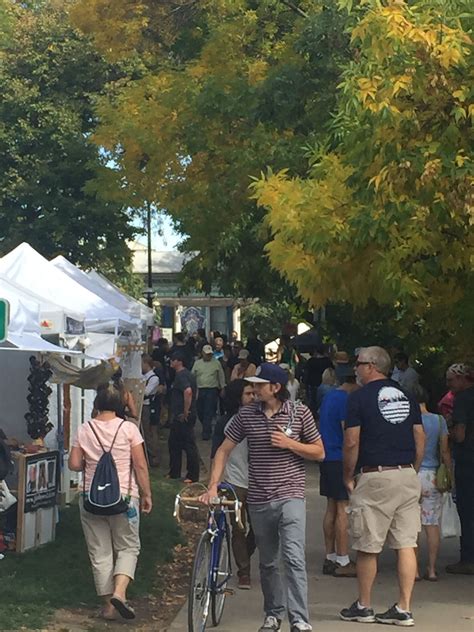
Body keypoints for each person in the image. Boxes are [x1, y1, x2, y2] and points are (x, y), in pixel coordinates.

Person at [201, 363, 325, 632]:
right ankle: (272, 614)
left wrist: (290, 444)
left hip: (291, 494)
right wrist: (213, 486)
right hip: (258, 498)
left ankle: (300, 619)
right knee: (268, 561)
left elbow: (319, 452)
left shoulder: (300, 413)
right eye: (253, 385)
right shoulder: (246, 416)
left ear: (276, 387)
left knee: (293, 557)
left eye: (259, 385)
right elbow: (223, 451)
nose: (254, 389)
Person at [340, 346, 425, 627]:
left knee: (368, 544)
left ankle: (364, 605)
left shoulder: (359, 398)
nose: (355, 368)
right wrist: (414, 466)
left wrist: (348, 475)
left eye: (359, 363)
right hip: (406, 475)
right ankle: (404, 607)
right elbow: (419, 435)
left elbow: (352, 440)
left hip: (375, 475)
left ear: (372, 366)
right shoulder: (406, 395)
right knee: (406, 543)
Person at [69, 385, 152, 621]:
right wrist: (147, 494)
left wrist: (91, 463)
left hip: (90, 499)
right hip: (125, 498)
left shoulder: (85, 429)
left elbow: (74, 464)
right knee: (128, 546)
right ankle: (120, 592)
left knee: (99, 551)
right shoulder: (129, 429)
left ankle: (108, 606)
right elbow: (140, 465)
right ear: (121, 405)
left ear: (97, 402)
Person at [211, 379, 257, 589]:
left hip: (258, 482)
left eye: (253, 394)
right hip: (234, 482)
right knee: (238, 527)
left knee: (258, 529)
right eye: (248, 394)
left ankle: (243, 554)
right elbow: (217, 453)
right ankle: (243, 571)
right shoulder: (226, 423)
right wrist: (215, 482)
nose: (252, 398)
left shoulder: (261, 418)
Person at [319, 368, 359, 578]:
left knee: (331, 506)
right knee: (343, 507)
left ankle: (330, 555)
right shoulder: (345, 400)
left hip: (326, 455)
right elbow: (348, 431)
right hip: (339, 457)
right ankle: (343, 558)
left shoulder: (329, 397)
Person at [413, 385, 451, 581]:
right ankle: (432, 569)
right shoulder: (439, 420)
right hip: (433, 475)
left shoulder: (410, 420)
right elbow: (444, 450)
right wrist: (449, 474)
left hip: (413, 473)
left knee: (413, 524)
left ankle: (415, 570)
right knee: (432, 523)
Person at [445, 363, 474, 575]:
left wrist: (450, 432)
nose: (449, 385)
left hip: (467, 461)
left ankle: (468, 558)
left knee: (467, 509)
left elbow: (461, 434)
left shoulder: (462, 399)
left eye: (451, 380)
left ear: (463, 378)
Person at [168, 350, 200, 483]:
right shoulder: (189, 374)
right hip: (185, 413)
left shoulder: (181, 376)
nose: (171, 362)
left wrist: (186, 410)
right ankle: (174, 472)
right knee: (174, 443)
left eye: (173, 360)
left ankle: (192, 475)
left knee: (188, 444)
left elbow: (188, 391)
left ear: (179, 362)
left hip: (183, 415)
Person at [192, 345, 226, 440]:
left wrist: (222, 387)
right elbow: (192, 375)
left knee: (208, 411)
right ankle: (206, 426)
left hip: (212, 390)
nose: (208, 356)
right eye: (206, 354)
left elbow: (221, 376)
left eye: (210, 354)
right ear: (202, 354)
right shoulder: (197, 363)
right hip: (200, 389)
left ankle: (206, 432)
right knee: (200, 411)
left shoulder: (216, 363)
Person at [141, 355, 160, 467]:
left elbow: (146, 392)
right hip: (142, 406)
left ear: (146, 364)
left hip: (147, 406)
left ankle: (153, 456)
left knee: (148, 432)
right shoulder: (143, 376)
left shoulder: (153, 378)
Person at [303, 345, 333, 417]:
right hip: (324, 383)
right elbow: (332, 371)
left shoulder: (311, 361)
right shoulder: (327, 361)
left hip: (312, 383)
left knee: (312, 401)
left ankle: (313, 416)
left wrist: (305, 382)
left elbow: (306, 372)